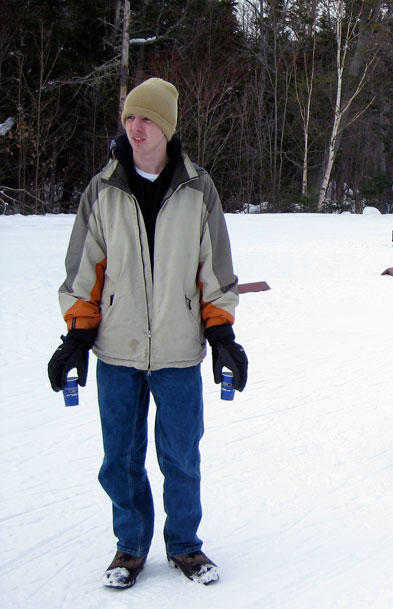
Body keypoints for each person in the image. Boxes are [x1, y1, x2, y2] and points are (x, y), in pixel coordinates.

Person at [46, 78, 247, 588]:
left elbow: (215, 270)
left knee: (180, 455)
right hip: (118, 348)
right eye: (130, 117)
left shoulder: (199, 188)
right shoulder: (104, 188)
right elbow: (82, 273)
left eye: (147, 119)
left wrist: (221, 336)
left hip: (179, 350)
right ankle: (130, 547)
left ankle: (185, 546)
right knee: (119, 458)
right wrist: (76, 336)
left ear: (167, 127)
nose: (136, 127)